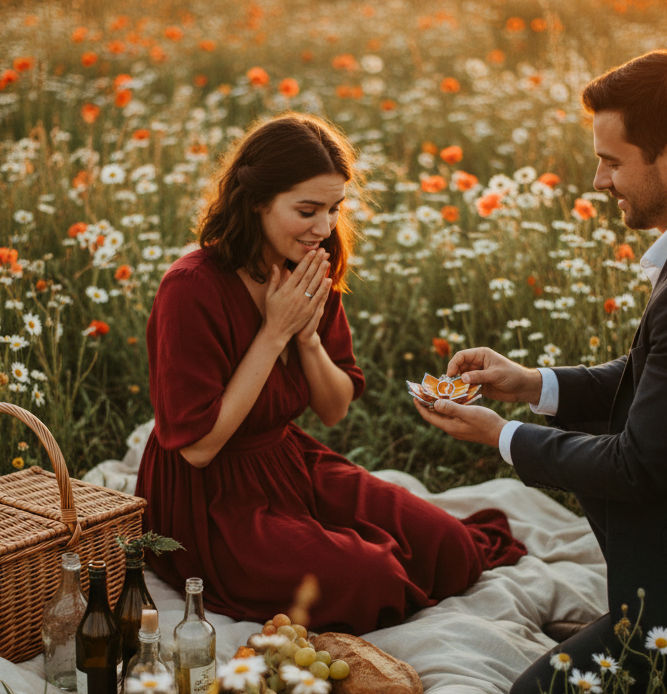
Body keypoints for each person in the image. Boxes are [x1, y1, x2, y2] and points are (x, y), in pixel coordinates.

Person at [415, 50, 667, 694]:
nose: (598, 180)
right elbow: (656, 378)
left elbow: (640, 466)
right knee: (594, 427)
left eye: (612, 162)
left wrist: (501, 437)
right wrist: (532, 383)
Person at [136, 112, 526, 634]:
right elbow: (198, 448)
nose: (323, 227)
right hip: (208, 496)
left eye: (334, 208)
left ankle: (344, 541)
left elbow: (334, 407)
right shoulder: (190, 288)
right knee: (370, 578)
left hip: (285, 457)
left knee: (450, 547)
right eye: (307, 210)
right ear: (256, 201)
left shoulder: (310, 263)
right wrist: (273, 333)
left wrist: (307, 338)